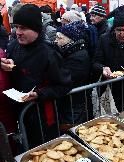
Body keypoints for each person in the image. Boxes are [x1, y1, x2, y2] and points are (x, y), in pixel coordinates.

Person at [0, 4, 72, 146]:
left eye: (23, 28)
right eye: (16, 26)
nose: (17, 32)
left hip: (43, 117)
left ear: (36, 29)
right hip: (19, 113)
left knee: (44, 150)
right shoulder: (14, 45)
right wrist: (7, 63)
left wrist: (39, 94)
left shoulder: (48, 53)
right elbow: (17, 68)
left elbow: (65, 85)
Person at [55, 21, 91, 131]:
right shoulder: (69, 51)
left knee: (73, 129)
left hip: (75, 101)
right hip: (70, 100)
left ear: (70, 39)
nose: (55, 41)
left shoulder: (78, 56)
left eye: (59, 38)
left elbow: (68, 79)